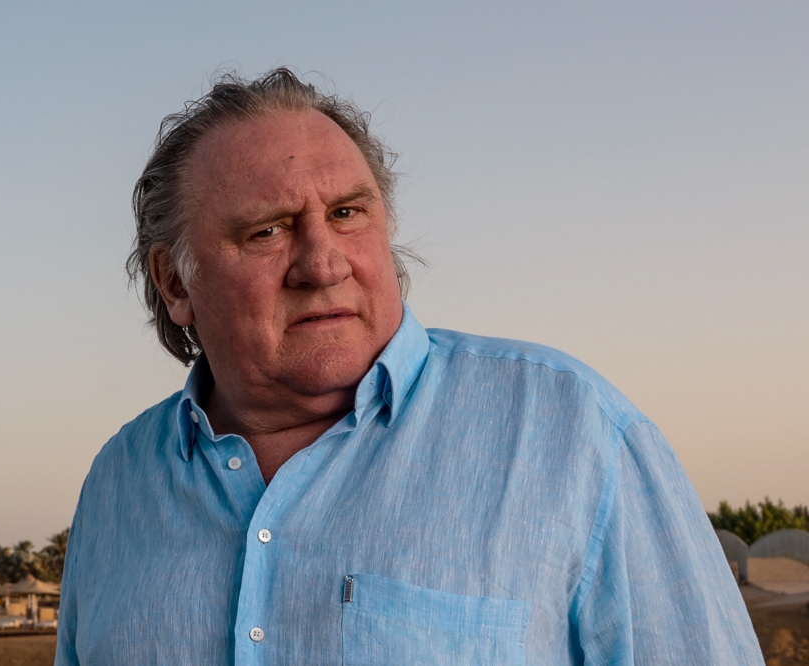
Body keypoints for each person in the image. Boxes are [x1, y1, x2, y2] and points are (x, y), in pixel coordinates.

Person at [55, 68, 763, 665]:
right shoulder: (117, 487)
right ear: (176, 283)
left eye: (347, 212)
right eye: (265, 230)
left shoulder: (576, 435)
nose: (323, 262)